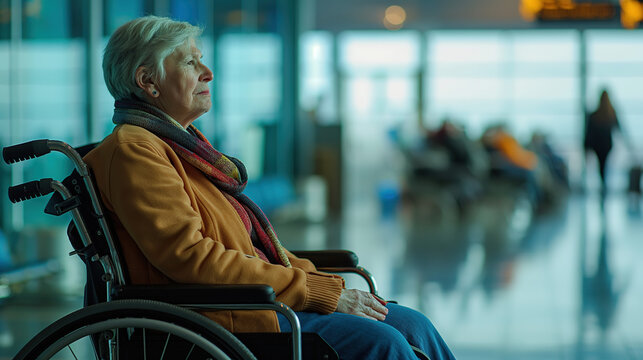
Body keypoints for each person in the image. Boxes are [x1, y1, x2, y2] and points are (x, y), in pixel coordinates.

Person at [85, 15, 455, 360]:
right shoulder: (136, 150)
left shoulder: (180, 148)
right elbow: (192, 259)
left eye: (201, 60)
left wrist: (327, 288)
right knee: (384, 340)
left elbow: (249, 249)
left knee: (412, 324)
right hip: (221, 319)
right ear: (147, 82)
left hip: (252, 301)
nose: (208, 73)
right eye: (189, 63)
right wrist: (315, 292)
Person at [584, 89, 621, 194]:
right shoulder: (611, 113)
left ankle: (603, 184)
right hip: (607, 145)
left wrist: (586, 147)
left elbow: (589, 133)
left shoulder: (595, 115)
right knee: (604, 166)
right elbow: (618, 128)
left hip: (598, 146)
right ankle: (604, 185)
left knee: (601, 166)